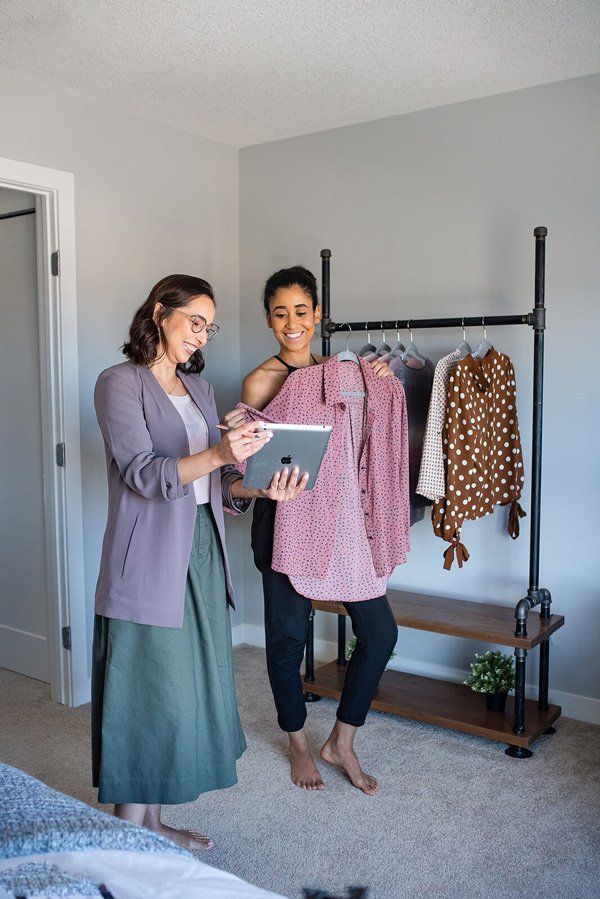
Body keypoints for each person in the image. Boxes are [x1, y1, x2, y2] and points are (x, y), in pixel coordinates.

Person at [91, 274, 300, 851]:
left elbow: (219, 481)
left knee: (178, 691)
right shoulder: (120, 383)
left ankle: (152, 823)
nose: (201, 336)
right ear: (161, 312)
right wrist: (217, 452)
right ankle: (126, 832)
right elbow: (144, 473)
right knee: (146, 690)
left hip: (201, 551)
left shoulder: (199, 390)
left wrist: (261, 489)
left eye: (210, 327)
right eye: (194, 322)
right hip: (148, 557)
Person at [224, 266, 399, 796]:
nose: (292, 322)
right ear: (268, 319)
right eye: (281, 313)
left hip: (344, 524)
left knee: (381, 633)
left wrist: (384, 383)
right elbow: (238, 470)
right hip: (281, 520)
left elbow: (373, 427)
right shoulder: (259, 380)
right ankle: (299, 743)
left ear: (318, 315)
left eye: (302, 311)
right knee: (286, 641)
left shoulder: (345, 374)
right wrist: (251, 459)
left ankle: (341, 741)